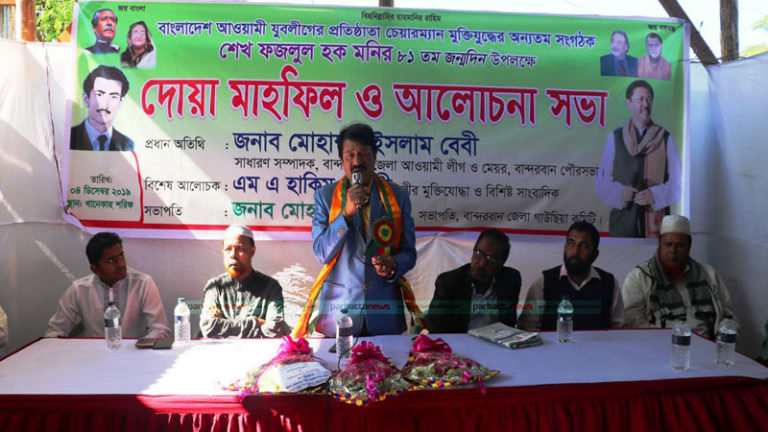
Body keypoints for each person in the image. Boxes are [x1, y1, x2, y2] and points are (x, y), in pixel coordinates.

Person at [294, 123, 418, 337]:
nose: (357, 162)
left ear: (375, 156)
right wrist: (346, 215)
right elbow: (321, 252)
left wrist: (394, 264)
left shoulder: (398, 197)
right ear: (341, 160)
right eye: (350, 155)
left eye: (363, 154)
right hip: (339, 314)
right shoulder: (325, 196)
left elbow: (409, 253)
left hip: (384, 314)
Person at [623, 215, 735, 339]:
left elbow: (728, 316)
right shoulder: (639, 277)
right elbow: (634, 322)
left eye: (680, 245)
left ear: (689, 246)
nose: (673, 250)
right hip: (660, 345)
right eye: (668, 244)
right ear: (660, 245)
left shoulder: (709, 274)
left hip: (708, 344)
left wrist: (723, 341)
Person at [595, 80, 682, 237]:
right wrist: (620, 193)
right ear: (628, 103)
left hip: (656, 224)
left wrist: (655, 195)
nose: (646, 105)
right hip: (623, 223)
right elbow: (601, 182)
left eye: (649, 99)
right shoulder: (615, 137)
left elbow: (679, 182)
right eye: (640, 99)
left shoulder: (664, 138)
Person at [45, 232, 171, 339]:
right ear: (95, 269)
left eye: (121, 256)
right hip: (94, 356)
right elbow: (54, 331)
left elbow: (161, 330)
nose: (120, 264)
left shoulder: (142, 283)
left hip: (134, 354)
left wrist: (137, 348)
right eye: (111, 260)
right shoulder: (79, 289)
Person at [518, 221, 624, 331]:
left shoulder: (609, 283)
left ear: (595, 254)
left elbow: (620, 328)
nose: (575, 251)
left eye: (583, 245)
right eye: (571, 243)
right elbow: (528, 327)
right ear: (564, 247)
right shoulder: (544, 281)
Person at [200, 224, 290, 338]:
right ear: (222, 252)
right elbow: (208, 328)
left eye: (240, 248)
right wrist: (257, 323)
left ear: (252, 251)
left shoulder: (271, 287)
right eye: (228, 249)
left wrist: (222, 323)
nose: (233, 255)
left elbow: (274, 330)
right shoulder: (215, 287)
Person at [426, 229, 521, 333]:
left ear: (500, 264)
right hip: (460, 341)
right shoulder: (449, 282)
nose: (482, 263)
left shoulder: (511, 280)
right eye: (479, 253)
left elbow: (509, 324)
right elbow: (436, 328)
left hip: (496, 341)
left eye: (490, 259)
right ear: (473, 251)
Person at [70, 65, 135, 151]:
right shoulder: (70, 137)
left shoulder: (128, 145)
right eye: (99, 94)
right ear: (86, 99)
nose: (105, 105)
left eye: (114, 96)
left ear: (120, 102)